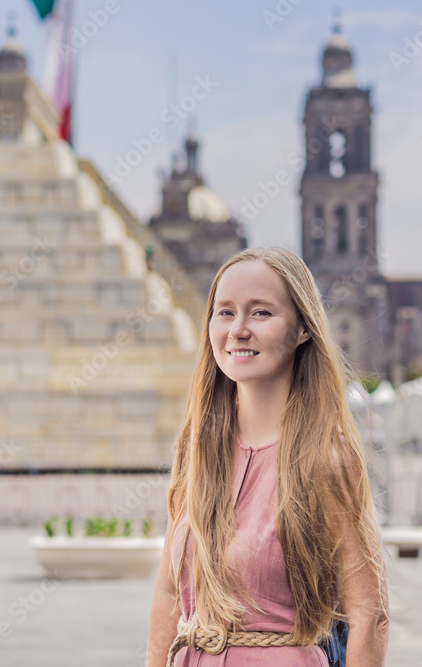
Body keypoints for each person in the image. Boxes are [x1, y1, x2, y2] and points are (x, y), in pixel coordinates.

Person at [145, 247, 389, 667]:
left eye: (260, 313)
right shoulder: (196, 449)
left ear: (302, 330)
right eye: (225, 312)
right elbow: (169, 593)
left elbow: (369, 616)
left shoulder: (325, 458)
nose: (238, 329)